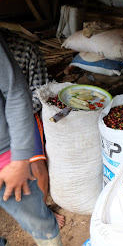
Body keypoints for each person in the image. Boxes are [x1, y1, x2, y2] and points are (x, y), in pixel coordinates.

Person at [0, 33, 62, 245]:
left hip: (21, 121)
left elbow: (37, 91)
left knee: (36, 170)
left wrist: (19, 153)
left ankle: (43, 211)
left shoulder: (26, 49)